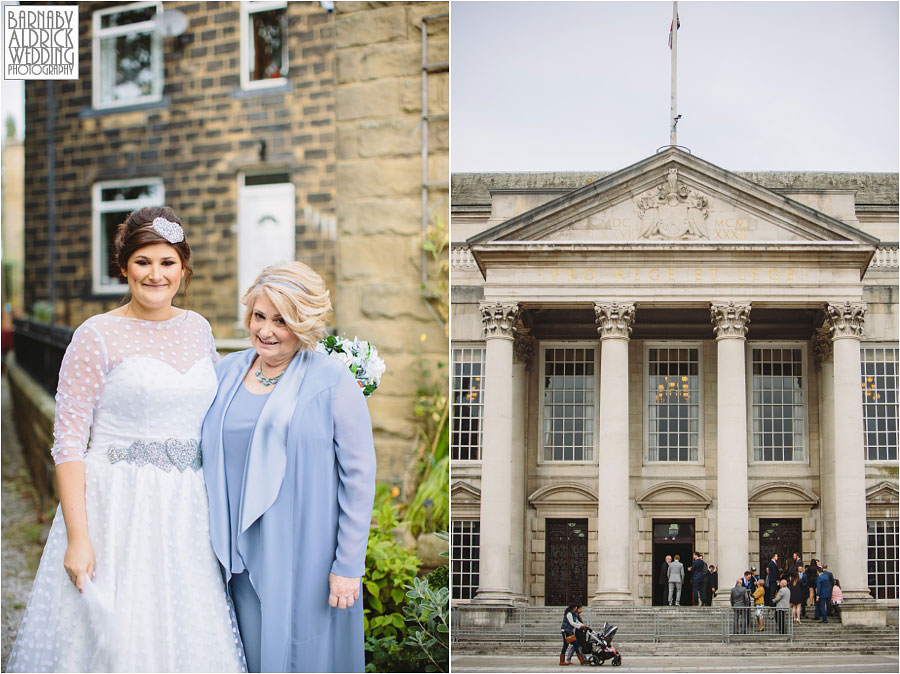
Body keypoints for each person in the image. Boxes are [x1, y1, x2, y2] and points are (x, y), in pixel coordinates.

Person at [7, 207, 245, 672]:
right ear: (123, 267)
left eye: (167, 262)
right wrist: (79, 538)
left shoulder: (199, 329)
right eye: (143, 262)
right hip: (117, 507)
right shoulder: (95, 336)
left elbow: (217, 417)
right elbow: (69, 443)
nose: (156, 274)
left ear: (183, 269)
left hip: (188, 511)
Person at [201, 261, 376, 673]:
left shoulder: (331, 379)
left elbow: (359, 476)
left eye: (281, 320)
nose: (265, 330)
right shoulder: (226, 371)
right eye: (259, 316)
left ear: (304, 322)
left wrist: (348, 566)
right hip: (234, 554)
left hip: (306, 554)